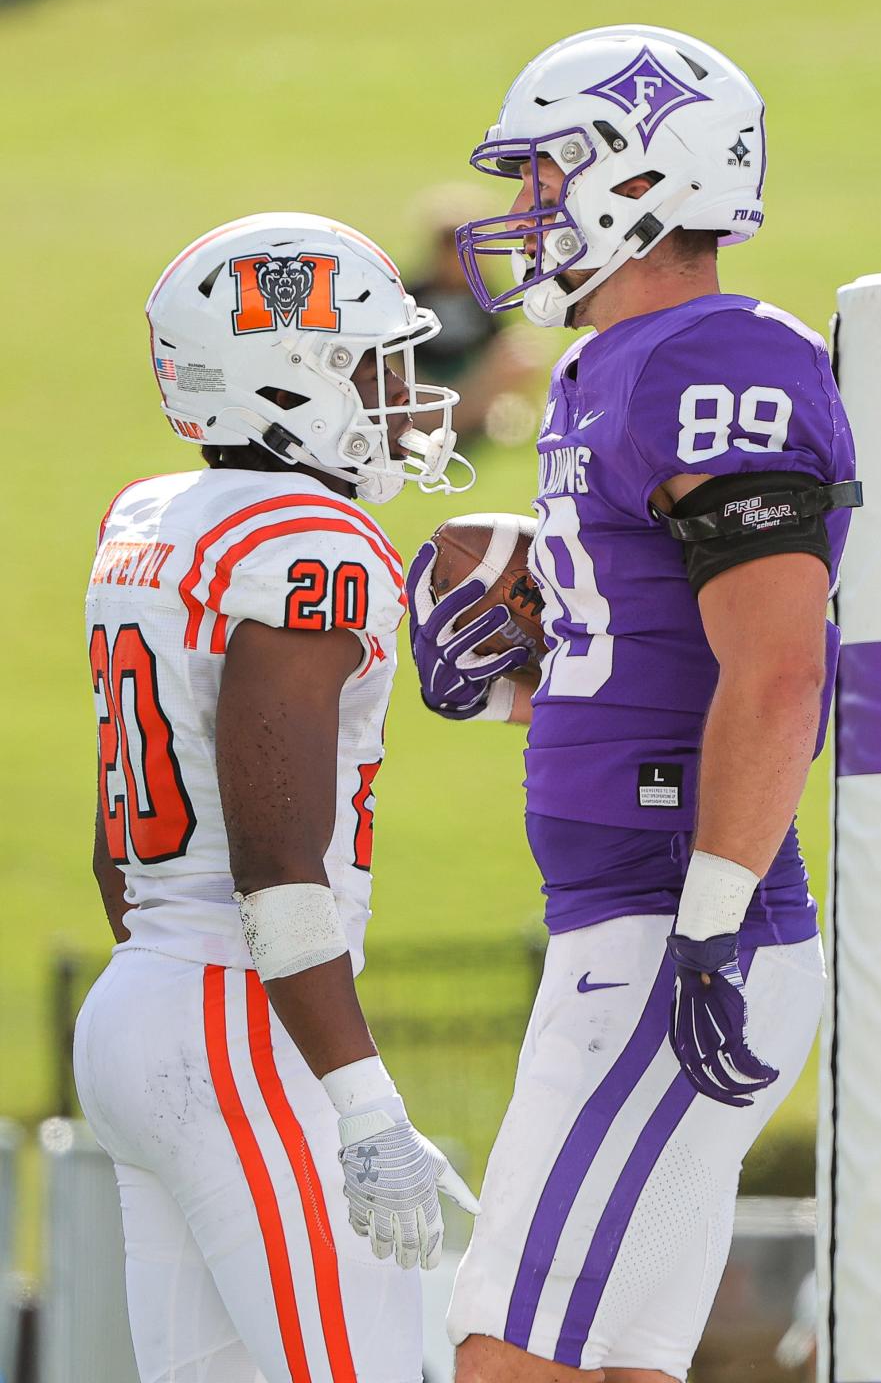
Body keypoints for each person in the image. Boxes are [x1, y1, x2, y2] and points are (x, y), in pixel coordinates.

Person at [406, 26, 861, 1383]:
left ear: (639, 176)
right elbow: (650, 659)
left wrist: (708, 924)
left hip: (678, 926)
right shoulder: (615, 366)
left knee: (508, 1353)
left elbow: (780, 669)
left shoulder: (716, 358)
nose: (528, 210)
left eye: (549, 177)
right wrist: (520, 675)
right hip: (637, 915)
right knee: (609, 1367)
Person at [73, 212, 479, 1383]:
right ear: (290, 380)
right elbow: (276, 865)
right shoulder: (314, 541)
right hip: (237, 1010)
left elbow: (116, 841)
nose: (404, 391)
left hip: (142, 991)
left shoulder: (151, 518)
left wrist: (170, 1001)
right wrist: (360, 1100)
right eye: (371, 361)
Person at [407, 186, 542, 443]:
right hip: (426, 380)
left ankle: (456, 418)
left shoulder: (483, 295)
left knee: (523, 353)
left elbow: (497, 344)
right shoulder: (415, 294)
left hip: (471, 378)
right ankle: (446, 419)